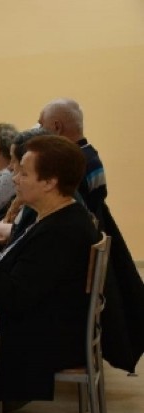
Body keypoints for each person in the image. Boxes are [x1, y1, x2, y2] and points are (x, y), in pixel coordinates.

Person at [0, 135, 99, 402]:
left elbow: (15, 296)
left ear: (50, 182)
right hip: (37, 318)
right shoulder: (51, 216)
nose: (14, 179)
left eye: (24, 173)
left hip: (40, 337)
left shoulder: (62, 232)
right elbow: (20, 278)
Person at [39, 98, 144, 372]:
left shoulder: (74, 165)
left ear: (57, 126)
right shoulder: (89, 155)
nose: (39, 131)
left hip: (72, 286)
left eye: (42, 125)